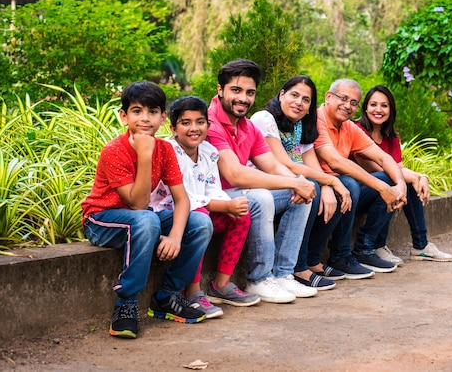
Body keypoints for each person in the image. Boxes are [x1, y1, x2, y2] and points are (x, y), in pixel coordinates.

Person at [81, 81, 213, 339]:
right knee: (146, 220)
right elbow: (138, 203)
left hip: (140, 220)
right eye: (137, 111)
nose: (145, 118)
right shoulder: (114, 151)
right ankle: (127, 304)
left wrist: (175, 236)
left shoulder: (164, 149)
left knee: (200, 224)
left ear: (163, 118)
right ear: (124, 116)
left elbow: (182, 199)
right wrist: (144, 154)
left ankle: (166, 297)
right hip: (101, 221)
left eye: (153, 111)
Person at [206, 59, 318, 303]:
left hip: (239, 194)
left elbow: (273, 165)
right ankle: (259, 278)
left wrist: (296, 181)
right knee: (261, 197)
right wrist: (293, 183)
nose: (243, 98)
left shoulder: (247, 126)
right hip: (212, 199)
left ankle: (283, 274)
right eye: (236, 90)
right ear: (220, 90)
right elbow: (234, 174)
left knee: (302, 196)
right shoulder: (210, 123)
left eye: (250, 93)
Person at [150, 96, 261, 320]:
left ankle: (221, 284)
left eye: (200, 122)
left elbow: (212, 188)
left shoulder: (210, 152)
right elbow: (185, 198)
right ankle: (192, 291)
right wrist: (224, 204)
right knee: (200, 218)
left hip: (200, 209)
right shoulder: (168, 151)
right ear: (172, 128)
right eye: (185, 122)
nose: (194, 128)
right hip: (168, 215)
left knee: (240, 216)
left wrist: (227, 207)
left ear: (208, 126)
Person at [250, 76, 353, 290]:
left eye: (306, 100)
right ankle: (294, 268)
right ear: (281, 95)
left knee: (327, 188)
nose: (299, 102)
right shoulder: (264, 118)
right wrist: (331, 181)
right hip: (258, 187)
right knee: (309, 188)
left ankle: (290, 271)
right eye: (294, 95)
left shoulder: (300, 127)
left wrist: (328, 186)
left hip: (285, 186)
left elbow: (311, 165)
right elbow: (286, 164)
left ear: (310, 108)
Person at [313, 79, 408, 275]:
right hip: (319, 186)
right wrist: (383, 189)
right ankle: (339, 256)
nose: (348, 106)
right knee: (349, 183)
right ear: (328, 97)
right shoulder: (317, 118)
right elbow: (335, 162)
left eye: (354, 102)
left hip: (341, 190)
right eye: (343, 99)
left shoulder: (348, 127)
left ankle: (365, 248)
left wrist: (400, 186)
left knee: (387, 178)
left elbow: (384, 157)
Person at [354, 85, 452, 263]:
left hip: (377, 191)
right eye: (373, 104)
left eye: (384, 105)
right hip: (357, 192)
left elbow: (398, 167)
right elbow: (374, 168)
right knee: (392, 179)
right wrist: (415, 177)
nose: (378, 110)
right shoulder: (357, 130)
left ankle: (420, 245)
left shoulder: (391, 136)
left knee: (404, 182)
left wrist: (421, 177)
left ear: (390, 109)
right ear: (365, 107)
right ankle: (373, 245)